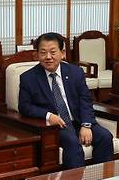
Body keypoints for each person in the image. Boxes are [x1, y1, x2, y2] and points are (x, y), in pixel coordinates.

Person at [18, 32, 113, 169]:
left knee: (105, 137)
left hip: (78, 121)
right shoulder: (28, 78)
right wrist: (49, 116)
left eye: (53, 52)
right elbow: (24, 106)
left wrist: (86, 125)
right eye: (43, 52)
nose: (48, 57)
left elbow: (85, 100)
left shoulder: (76, 72)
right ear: (37, 55)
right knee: (72, 142)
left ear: (63, 53)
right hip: (55, 126)